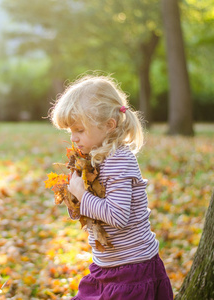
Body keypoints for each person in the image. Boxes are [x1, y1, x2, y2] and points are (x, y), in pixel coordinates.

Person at [49, 75, 173, 300]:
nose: (74, 139)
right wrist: (72, 198)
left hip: (132, 271)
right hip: (106, 267)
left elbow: (117, 216)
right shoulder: (94, 158)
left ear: (109, 125)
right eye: (70, 132)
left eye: (79, 130)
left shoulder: (119, 160)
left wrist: (81, 194)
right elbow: (90, 213)